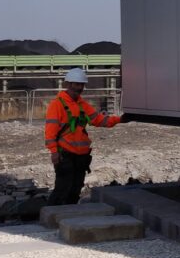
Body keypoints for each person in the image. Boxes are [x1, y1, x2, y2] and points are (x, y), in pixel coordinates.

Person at [44, 67, 123, 205]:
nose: (79, 87)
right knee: (62, 189)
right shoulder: (57, 104)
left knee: (75, 190)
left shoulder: (82, 105)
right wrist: (54, 152)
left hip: (81, 157)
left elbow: (100, 120)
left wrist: (120, 119)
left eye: (81, 84)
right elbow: (50, 131)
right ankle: (52, 217)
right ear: (68, 84)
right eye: (77, 84)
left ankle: (70, 218)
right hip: (65, 155)